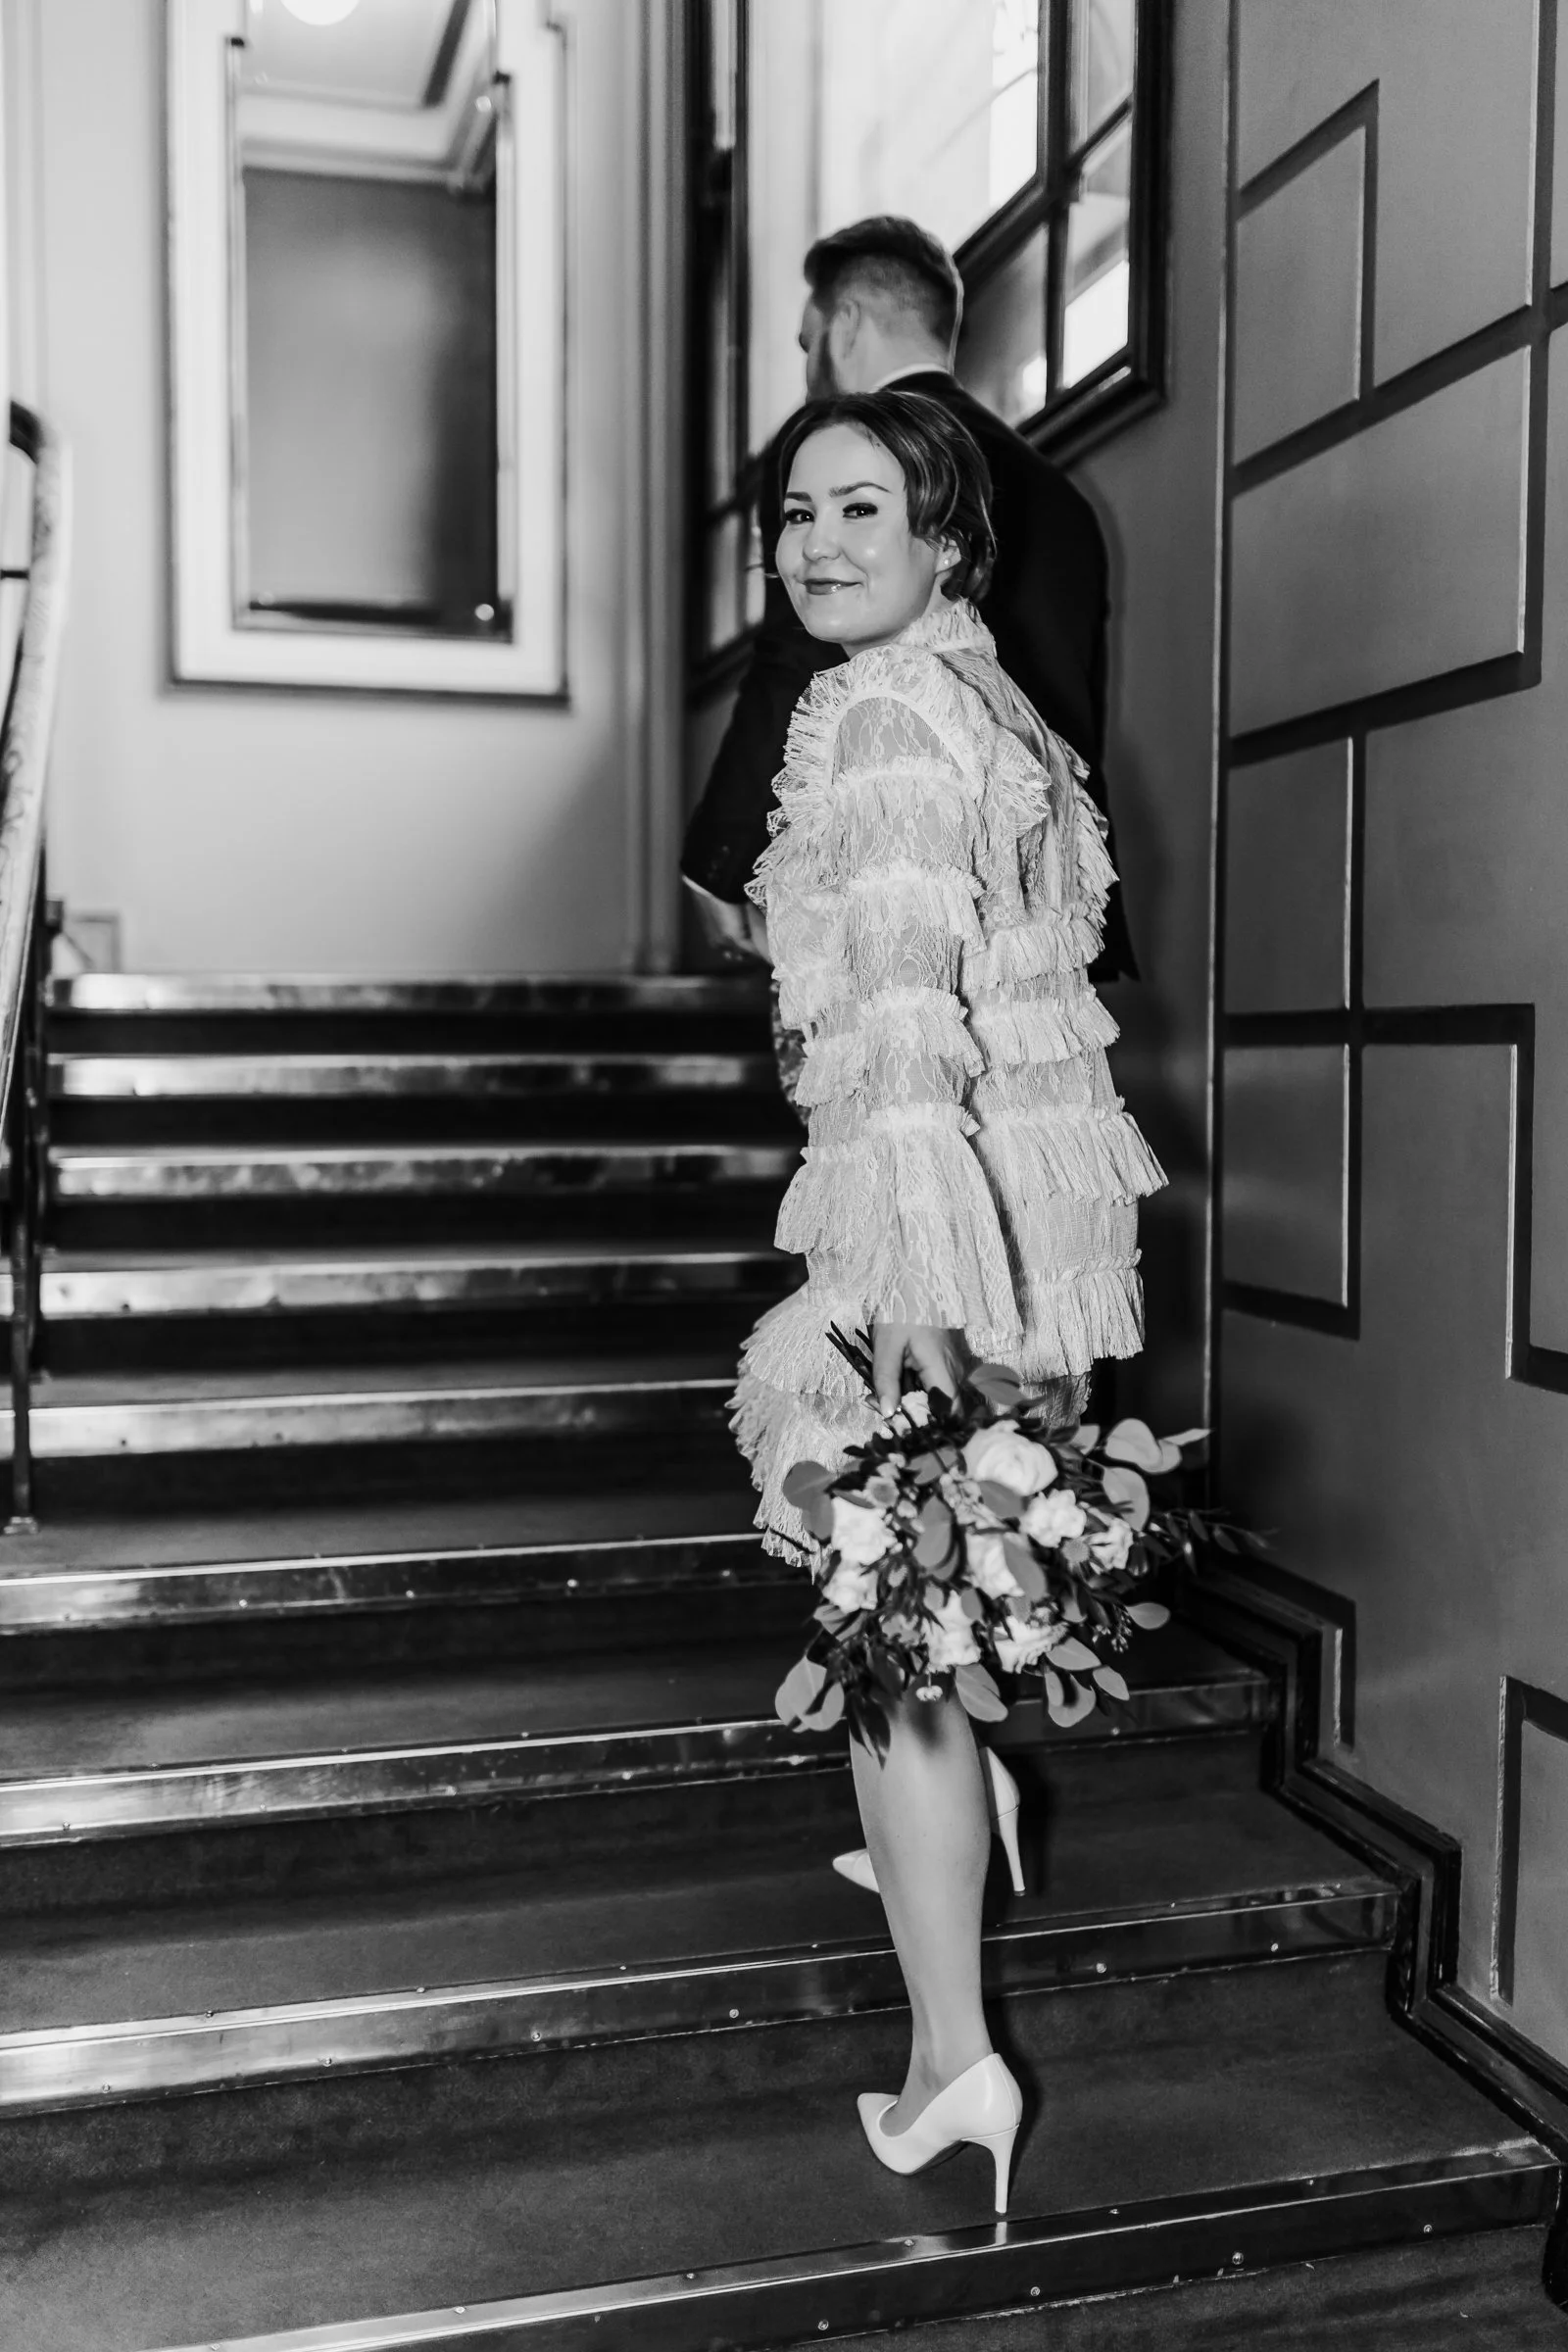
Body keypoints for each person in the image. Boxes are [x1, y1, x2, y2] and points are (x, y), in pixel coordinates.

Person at [730, 390, 1162, 2213]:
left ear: (946, 541)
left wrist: (910, 1294)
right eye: (797, 513)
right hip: (1025, 1226)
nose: (819, 544)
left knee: (889, 1631)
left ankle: (948, 2062)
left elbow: (911, 1027)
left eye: (863, 510)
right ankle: (961, 1812)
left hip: (934, 1230)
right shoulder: (986, 691)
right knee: (943, 1603)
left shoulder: (886, 713)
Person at [683, 214, 1136, 985]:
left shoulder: (830, 457)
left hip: (892, 892)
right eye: (800, 519)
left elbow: (792, 665)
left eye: (806, 343)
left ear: (846, 323)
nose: (809, 369)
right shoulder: (1063, 498)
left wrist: (718, 861)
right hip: (1050, 915)